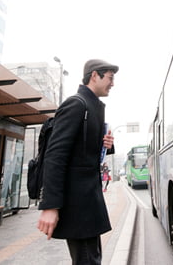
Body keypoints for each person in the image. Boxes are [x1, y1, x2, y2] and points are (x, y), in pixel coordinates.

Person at [37, 59, 118, 265]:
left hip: (88, 201)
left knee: (90, 259)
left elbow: (83, 152)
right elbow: (55, 156)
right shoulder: (76, 104)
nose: (112, 83)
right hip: (78, 204)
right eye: (110, 77)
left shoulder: (92, 107)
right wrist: (51, 206)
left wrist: (105, 144)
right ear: (94, 75)